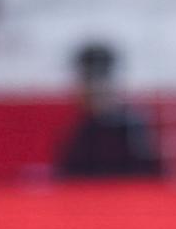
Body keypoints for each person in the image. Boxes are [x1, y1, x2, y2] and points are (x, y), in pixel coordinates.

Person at [55, 41, 165, 181]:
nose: (93, 88)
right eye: (87, 81)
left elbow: (151, 179)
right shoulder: (78, 131)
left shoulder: (131, 128)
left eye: (100, 81)